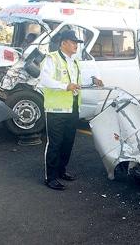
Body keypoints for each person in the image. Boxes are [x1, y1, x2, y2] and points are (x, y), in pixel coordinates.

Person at [39, 30, 103, 190]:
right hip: (56, 110)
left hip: (72, 108)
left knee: (68, 142)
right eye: (73, 42)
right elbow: (44, 79)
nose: (76, 45)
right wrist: (64, 86)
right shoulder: (51, 58)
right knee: (55, 144)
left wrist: (93, 80)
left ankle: (61, 171)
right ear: (63, 43)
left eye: (77, 43)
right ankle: (50, 178)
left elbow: (76, 82)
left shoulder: (74, 62)